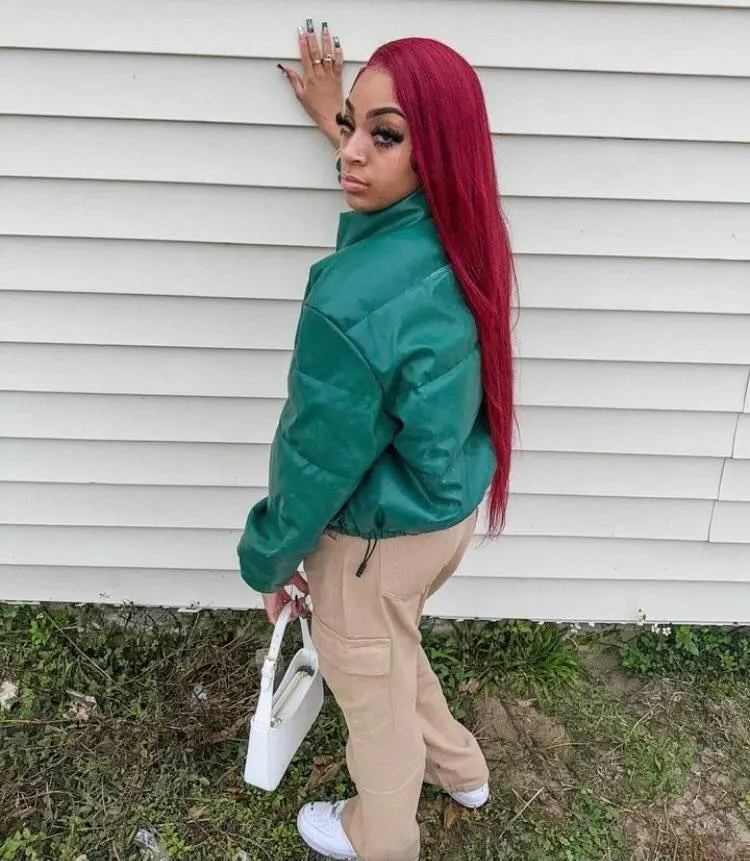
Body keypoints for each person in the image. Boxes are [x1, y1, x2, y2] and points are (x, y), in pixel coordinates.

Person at [238, 22, 515, 861]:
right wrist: (340, 114)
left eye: (381, 135)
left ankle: (380, 835)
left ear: (434, 154)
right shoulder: (463, 236)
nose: (351, 153)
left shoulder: (349, 299)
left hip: (373, 541)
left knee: (374, 701)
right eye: (351, 126)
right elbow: (390, 165)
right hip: (442, 515)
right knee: (392, 651)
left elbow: (314, 457)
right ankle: (463, 768)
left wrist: (269, 558)